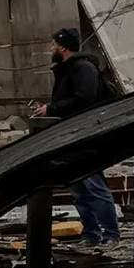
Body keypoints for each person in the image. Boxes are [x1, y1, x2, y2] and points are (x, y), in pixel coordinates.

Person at [35, 28, 118, 245]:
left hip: (85, 137)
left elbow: (86, 98)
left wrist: (52, 109)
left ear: (62, 46)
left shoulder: (83, 68)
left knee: (94, 186)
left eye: (53, 44)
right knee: (78, 189)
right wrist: (50, 109)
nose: (51, 48)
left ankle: (110, 234)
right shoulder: (67, 70)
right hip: (71, 137)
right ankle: (91, 234)